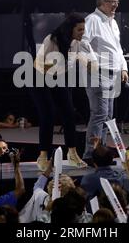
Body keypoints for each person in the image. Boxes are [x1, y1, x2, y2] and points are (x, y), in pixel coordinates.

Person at [32, 13, 94, 171]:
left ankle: (72, 154)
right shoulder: (52, 39)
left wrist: (89, 64)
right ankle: (43, 156)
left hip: (59, 77)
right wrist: (56, 65)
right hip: (40, 77)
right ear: (70, 29)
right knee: (48, 115)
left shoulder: (76, 43)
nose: (82, 32)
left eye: (83, 29)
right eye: (80, 29)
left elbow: (81, 58)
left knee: (69, 115)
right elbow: (37, 64)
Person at [81, 0, 129, 162]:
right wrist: (94, 63)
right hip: (99, 73)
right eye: (111, 1)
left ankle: (99, 154)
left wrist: (124, 68)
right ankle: (89, 154)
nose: (115, 5)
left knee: (107, 117)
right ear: (101, 2)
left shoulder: (113, 22)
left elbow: (117, 49)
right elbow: (82, 42)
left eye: (117, 1)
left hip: (113, 74)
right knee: (99, 114)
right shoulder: (92, 20)